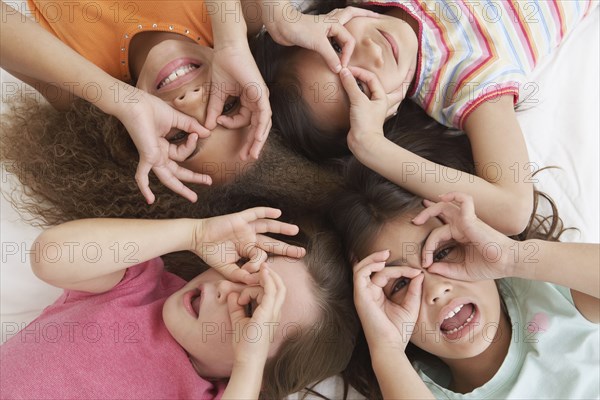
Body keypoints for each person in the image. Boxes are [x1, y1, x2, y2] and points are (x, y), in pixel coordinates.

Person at [256, 0, 598, 235]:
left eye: (336, 44)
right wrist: (372, 146)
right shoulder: (462, 79)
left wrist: (283, 17)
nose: (372, 52)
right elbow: (513, 209)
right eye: (360, 85)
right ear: (381, 116)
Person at [0, 207, 359, 399]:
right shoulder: (138, 285)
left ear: (259, 378)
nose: (225, 290)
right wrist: (193, 233)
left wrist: (247, 365)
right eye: (244, 269)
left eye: (251, 310)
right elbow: (49, 256)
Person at [328, 159, 599, 398]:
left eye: (443, 252)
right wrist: (386, 348)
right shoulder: (416, 389)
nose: (436, 289)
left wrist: (511, 257)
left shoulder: (547, 289)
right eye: (400, 283)